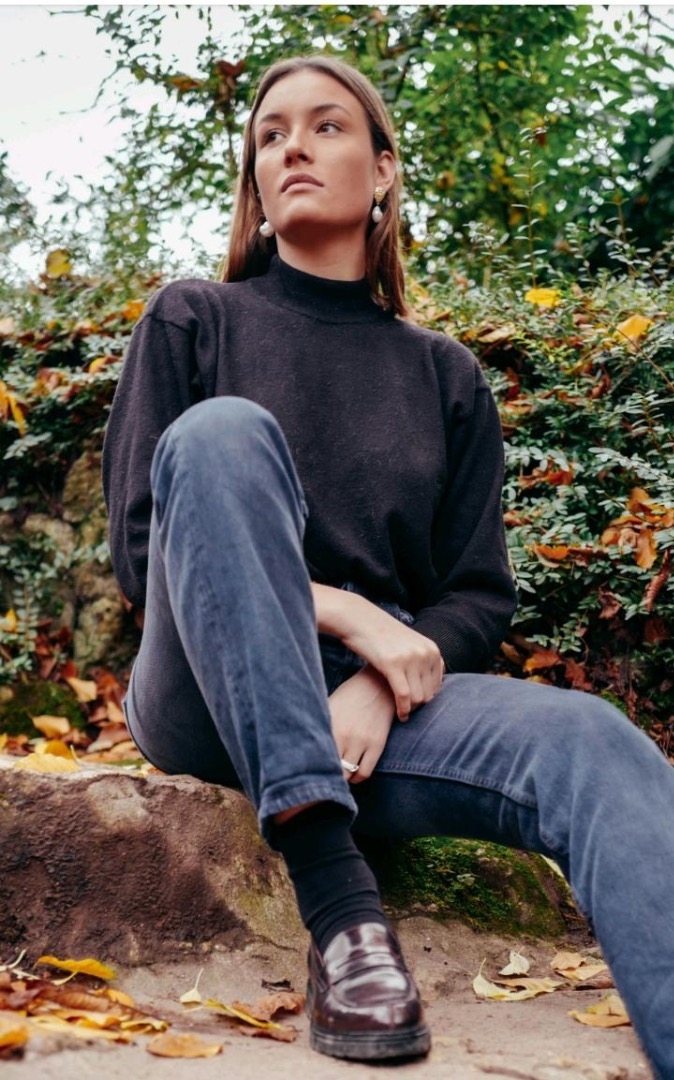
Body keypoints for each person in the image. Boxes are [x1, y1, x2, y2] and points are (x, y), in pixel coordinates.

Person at [102, 54, 674, 1076]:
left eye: (325, 125)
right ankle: (342, 914)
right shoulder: (195, 318)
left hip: (374, 726)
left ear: (382, 170)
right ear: (255, 182)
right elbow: (148, 553)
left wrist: (376, 681)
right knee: (222, 436)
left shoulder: (444, 375)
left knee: (592, 740)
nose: (292, 146)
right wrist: (347, 615)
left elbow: (475, 596)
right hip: (201, 689)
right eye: (271, 134)